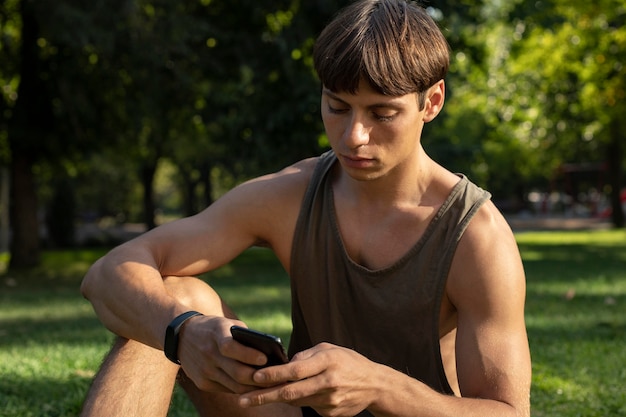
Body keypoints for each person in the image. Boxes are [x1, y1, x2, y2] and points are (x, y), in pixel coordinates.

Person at [80, 0, 531, 416]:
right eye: (337, 107)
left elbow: (509, 413)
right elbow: (107, 274)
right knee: (176, 300)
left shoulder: (475, 235)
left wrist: (379, 387)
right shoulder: (290, 195)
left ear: (430, 102)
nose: (354, 136)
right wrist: (181, 332)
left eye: (382, 114)